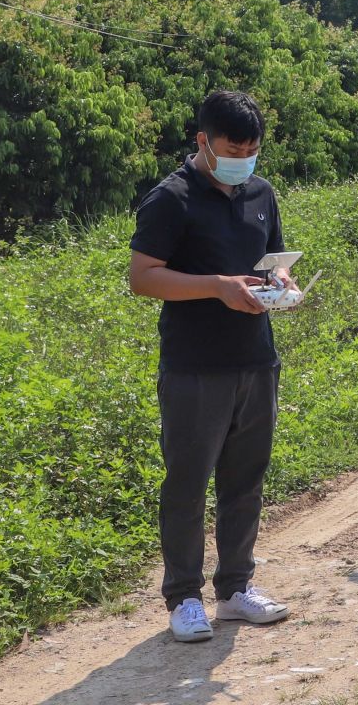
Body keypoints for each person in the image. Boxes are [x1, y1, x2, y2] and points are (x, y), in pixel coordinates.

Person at [128, 90, 297, 643]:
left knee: (245, 481)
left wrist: (280, 283)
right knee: (187, 483)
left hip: (256, 359)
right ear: (203, 140)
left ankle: (234, 590)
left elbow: (270, 262)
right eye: (232, 148)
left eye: (251, 150)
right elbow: (143, 278)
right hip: (195, 367)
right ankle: (183, 597)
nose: (242, 158)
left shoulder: (261, 193)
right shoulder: (170, 199)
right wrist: (216, 287)